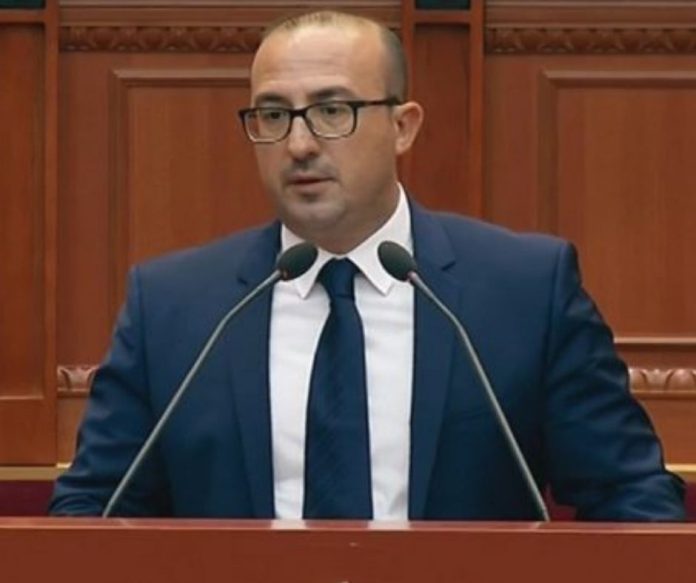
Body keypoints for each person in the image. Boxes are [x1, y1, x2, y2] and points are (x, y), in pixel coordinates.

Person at [50, 10, 685, 520]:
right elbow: (93, 511)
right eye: (273, 114)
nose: (299, 144)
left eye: (333, 111)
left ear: (403, 127)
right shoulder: (174, 307)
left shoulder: (524, 291)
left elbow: (632, 500)